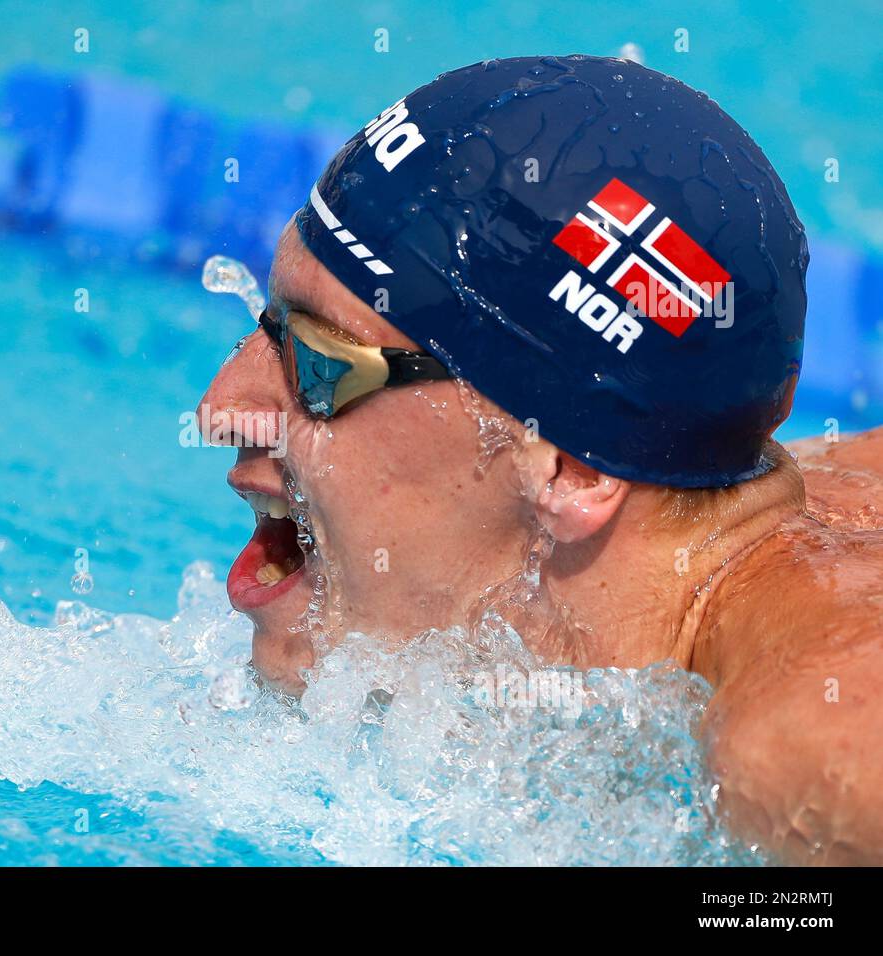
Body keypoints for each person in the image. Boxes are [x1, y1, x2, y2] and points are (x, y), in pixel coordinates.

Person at [197, 55, 883, 864]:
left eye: (323, 363)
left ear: (575, 468)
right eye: (266, 326)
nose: (218, 409)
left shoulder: (815, 756)